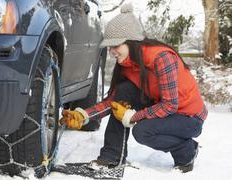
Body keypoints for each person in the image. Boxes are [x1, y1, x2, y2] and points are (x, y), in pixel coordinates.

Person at [60, 3, 207, 173]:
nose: (112, 51)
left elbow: (170, 105)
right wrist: (83, 115)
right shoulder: (128, 65)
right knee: (123, 91)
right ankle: (112, 158)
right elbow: (113, 103)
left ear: (132, 42)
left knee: (143, 131)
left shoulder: (161, 58)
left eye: (116, 45)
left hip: (189, 118)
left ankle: (187, 152)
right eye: (109, 46)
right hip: (164, 111)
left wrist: (133, 116)